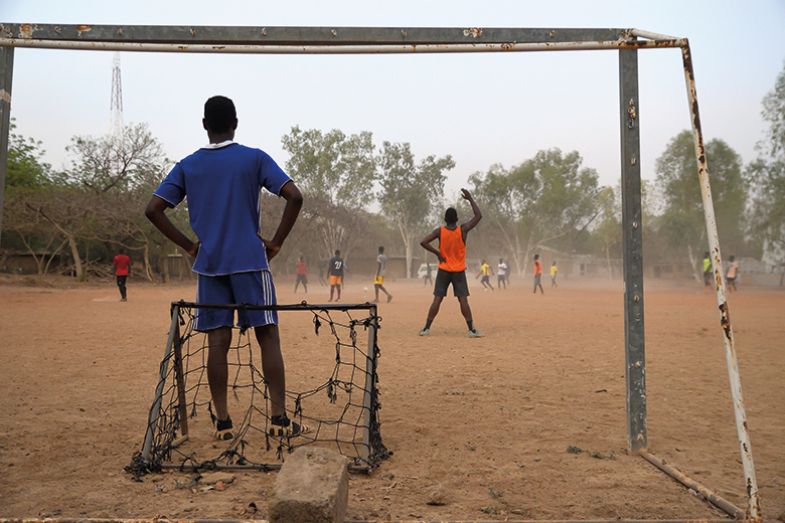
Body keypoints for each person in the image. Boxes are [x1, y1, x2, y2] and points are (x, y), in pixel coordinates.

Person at [145, 95, 306, 441]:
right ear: (236, 122)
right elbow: (294, 196)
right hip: (250, 261)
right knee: (267, 335)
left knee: (217, 341)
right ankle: (278, 420)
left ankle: (222, 423)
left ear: (205, 125)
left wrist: (190, 245)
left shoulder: (187, 165)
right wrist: (275, 243)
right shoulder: (254, 158)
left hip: (210, 265)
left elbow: (154, 209)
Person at [418, 189, 483, 337]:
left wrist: (438, 253)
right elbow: (479, 216)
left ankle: (426, 329)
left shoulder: (440, 231)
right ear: (457, 219)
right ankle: (472, 330)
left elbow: (423, 242)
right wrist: (470, 199)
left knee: (437, 299)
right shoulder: (463, 230)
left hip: (444, 269)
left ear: (445, 219)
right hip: (458, 271)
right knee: (463, 300)